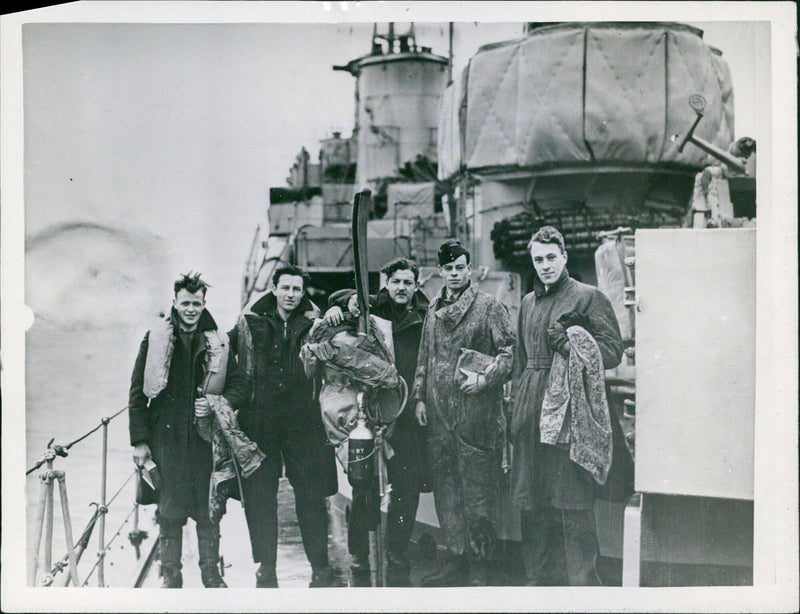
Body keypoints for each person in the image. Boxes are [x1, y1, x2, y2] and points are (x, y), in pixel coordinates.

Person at [510, 226, 624, 586]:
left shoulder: (588, 297)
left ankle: (583, 586)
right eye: (537, 260)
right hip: (530, 411)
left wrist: (570, 345)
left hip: (568, 419)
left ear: (564, 257)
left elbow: (612, 352)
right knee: (533, 503)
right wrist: (515, 409)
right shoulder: (528, 302)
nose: (544, 266)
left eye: (550, 258)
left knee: (573, 502)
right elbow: (520, 360)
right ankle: (537, 584)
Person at [226, 264, 339, 588]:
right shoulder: (250, 322)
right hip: (259, 418)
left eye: (297, 289)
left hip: (303, 419)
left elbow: (347, 319)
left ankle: (320, 566)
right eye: (285, 288)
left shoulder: (315, 323)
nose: (291, 295)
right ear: (274, 288)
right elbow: (220, 346)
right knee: (260, 496)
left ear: (304, 293)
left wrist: (336, 305)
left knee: (310, 494)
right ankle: (266, 566)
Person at [411, 240, 516, 586]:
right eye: (448, 269)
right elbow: (425, 358)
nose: (454, 274)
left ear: (469, 269)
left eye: (460, 268)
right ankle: (455, 561)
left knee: (478, 496)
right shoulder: (432, 310)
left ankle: (479, 569)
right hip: (440, 419)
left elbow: (510, 355)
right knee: (447, 493)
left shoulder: (490, 308)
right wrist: (419, 399)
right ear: (440, 271)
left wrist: (485, 379)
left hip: (478, 418)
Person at [322, 258, 431, 586]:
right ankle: (359, 554)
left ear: (416, 284)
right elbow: (338, 298)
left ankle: (396, 552)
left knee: (407, 487)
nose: (401, 288)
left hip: (407, 412)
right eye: (395, 281)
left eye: (408, 282)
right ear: (386, 282)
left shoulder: (425, 316)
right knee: (363, 485)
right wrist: (341, 306)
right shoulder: (371, 309)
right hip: (372, 410)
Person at [129, 272, 239, 588]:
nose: (191, 309)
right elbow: (137, 391)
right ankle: (171, 579)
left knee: (209, 509)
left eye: (197, 303)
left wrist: (219, 401)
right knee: (169, 511)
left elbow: (238, 383)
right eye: (186, 303)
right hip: (166, 439)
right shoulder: (155, 340)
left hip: (205, 439)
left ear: (204, 304)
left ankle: (211, 576)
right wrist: (140, 440)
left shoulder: (218, 340)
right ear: (175, 303)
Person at [303, 288, 406, 587]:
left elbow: (387, 372)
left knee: (371, 486)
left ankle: (369, 552)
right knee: (362, 484)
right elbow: (312, 367)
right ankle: (360, 554)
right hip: (343, 412)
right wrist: (324, 325)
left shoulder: (374, 330)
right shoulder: (327, 334)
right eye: (354, 304)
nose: (361, 309)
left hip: (375, 409)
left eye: (364, 305)